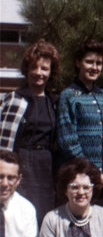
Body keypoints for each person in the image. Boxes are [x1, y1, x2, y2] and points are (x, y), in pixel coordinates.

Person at [0, 39, 60, 224]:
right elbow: (3, 140)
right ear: (27, 69)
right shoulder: (14, 98)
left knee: (44, 214)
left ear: (51, 72)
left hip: (46, 166)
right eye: (35, 67)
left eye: (44, 69)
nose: (39, 73)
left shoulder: (54, 101)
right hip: (21, 162)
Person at [57, 40, 103, 194]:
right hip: (80, 180)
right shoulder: (68, 95)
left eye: (98, 63)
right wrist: (94, 173)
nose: (94, 67)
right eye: (89, 62)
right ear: (78, 62)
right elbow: (68, 142)